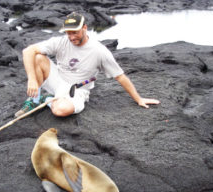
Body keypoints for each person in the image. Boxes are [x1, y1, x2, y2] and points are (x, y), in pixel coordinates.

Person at [15, 12, 160, 117]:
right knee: (38, 57)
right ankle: (34, 100)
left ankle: (46, 99)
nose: (71, 37)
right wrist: (32, 80)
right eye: (68, 33)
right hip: (58, 80)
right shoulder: (61, 42)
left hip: (78, 90)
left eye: (75, 32)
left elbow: (120, 77)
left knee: (60, 111)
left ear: (84, 27)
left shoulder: (99, 51)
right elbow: (28, 51)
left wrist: (139, 99)